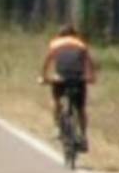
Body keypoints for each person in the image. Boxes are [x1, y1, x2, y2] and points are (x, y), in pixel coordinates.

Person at [40, 24, 96, 152]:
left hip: (61, 77)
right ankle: (83, 135)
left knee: (57, 101)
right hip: (78, 78)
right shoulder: (81, 44)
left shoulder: (55, 43)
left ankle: (57, 128)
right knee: (81, 108)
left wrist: (43, 77)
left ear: (60, 34)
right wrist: (91, 77)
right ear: (74, 34)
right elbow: (89, 63)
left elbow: (47, 62)